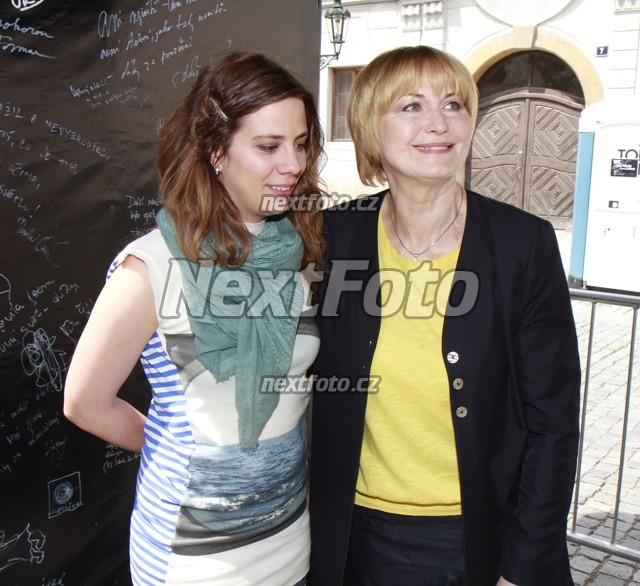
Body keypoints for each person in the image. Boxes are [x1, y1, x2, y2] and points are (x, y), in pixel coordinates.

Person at [308, 45, 580, 586]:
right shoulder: (335, 237)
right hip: (358, 535)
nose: (439, 122)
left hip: (479, 537)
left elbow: (552, 422)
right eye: (411, 106)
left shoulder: (522, 244)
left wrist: (523, 566)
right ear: (370, 129)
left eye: (454, 104)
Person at [64, 51, 325, 586]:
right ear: (216, 151)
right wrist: (178, 450)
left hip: (289, 543)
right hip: (192, 559)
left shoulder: (297, 253)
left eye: (300, 144)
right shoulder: (151, 265)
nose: (293, 164)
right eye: (268, 146)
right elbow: (84, 403)